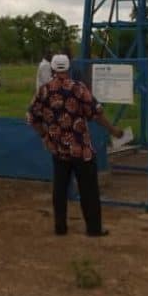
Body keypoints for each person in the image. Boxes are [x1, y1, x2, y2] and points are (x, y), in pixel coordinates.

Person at [27, 54, 122, 236]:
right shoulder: (78, 88)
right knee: (89, 189)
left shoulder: (44, 91)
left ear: (53, 69)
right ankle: (93, 229)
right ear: (68, 68)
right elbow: (96, 113)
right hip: (81, 149)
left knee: (60, 188)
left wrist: (45, 136)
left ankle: (60, 227)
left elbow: (32, 118)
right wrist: (113, 130)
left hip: (58, 149)